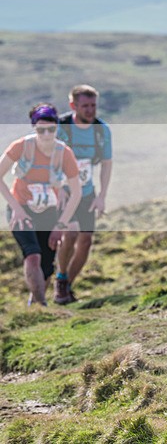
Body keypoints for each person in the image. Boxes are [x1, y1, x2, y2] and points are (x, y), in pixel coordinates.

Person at [0, 104, 81, 306]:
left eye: (50, 129)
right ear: (34, 128)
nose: (46, 134)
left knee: (46, 264)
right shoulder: (21, 146)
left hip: (49, 211)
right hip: (21, 208)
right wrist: (16, 209)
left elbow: (76, 192)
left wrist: (60, 225)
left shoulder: (64, 153)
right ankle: (41, 307)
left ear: (56, 128)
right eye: (40, 129)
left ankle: (35, 302)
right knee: (32, 255)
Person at [55, 84, 113, 304]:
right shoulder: (60, 126)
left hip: (87, 191)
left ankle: (67, 284)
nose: (90, 110)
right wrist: (57, 188)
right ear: (73, 106)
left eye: (93, 105)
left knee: (86, 241)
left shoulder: (101, 129)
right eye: (85, 106)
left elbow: (106, 163)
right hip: (64, 192)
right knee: (70, 234)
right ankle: (60, 278)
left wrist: (102, 196)